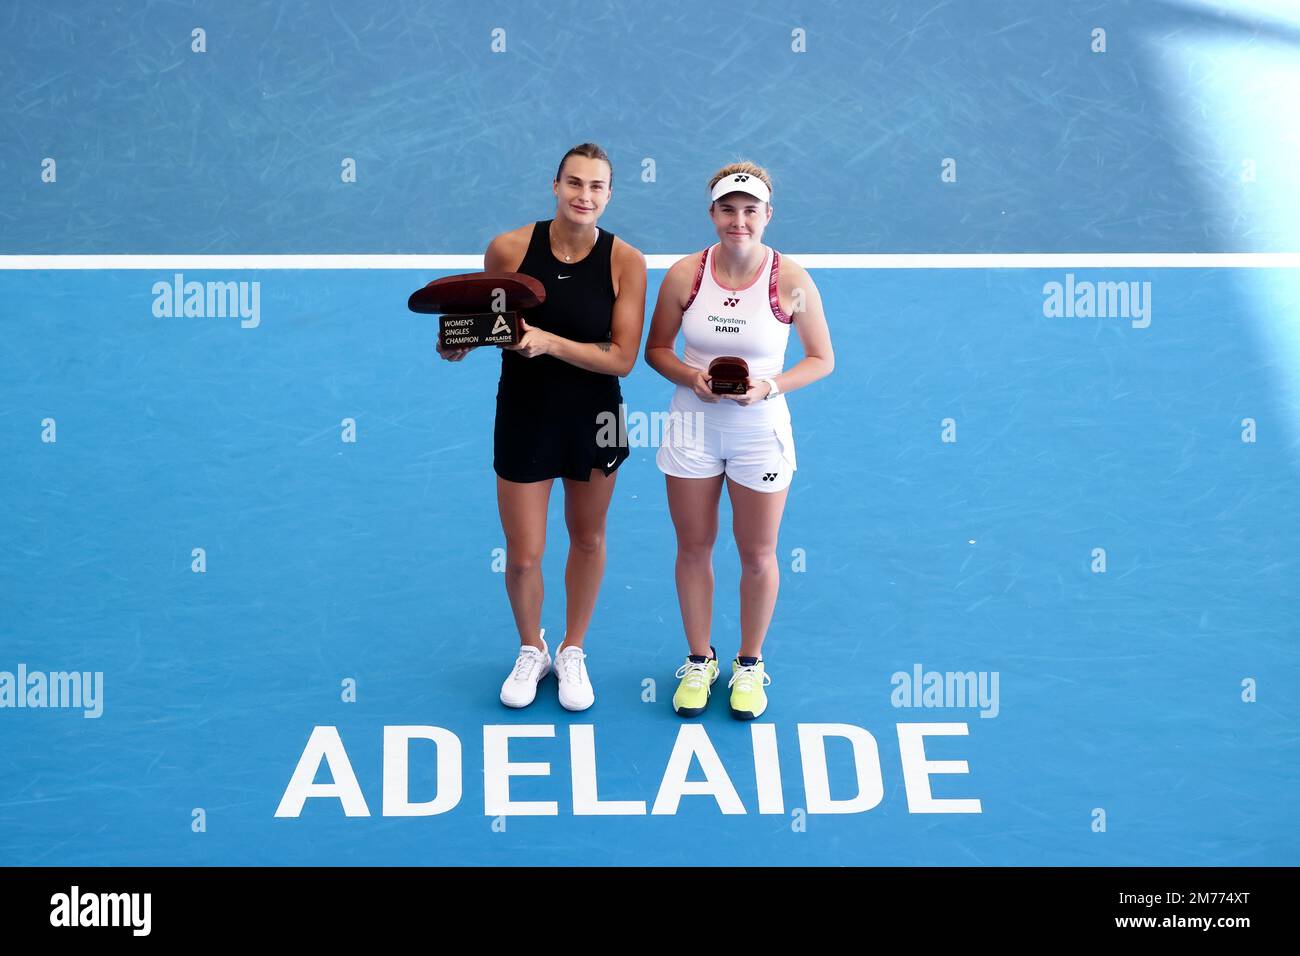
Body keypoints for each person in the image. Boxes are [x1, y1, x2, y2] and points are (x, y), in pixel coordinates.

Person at [438, 143, 647, 711]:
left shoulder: (625, 260)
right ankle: (532, 648)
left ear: (609, 195)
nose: (584, 196)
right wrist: (459, 343)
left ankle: (573, 649)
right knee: (525, 553)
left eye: (596, 187)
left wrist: (551, 342)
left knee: (588, 537)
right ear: (554, 186)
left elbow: (623, 357)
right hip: (524, 413)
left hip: (597, 416)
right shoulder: (507, 249)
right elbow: (488, 324)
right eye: (574, 183)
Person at [644, 161, 834, 719]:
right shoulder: (685, 275)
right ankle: (700, 660)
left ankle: (749, 665)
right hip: (693, 426)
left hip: (759, 431)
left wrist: (769, 387)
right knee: (694, 546)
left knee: (757, 552)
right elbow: (657, 350)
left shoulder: (791, 280)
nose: (739, 220)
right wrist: (691, 378)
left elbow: (822, 360)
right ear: (712, 214)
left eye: (750, 210)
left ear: (767, 215)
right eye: (728, 209)